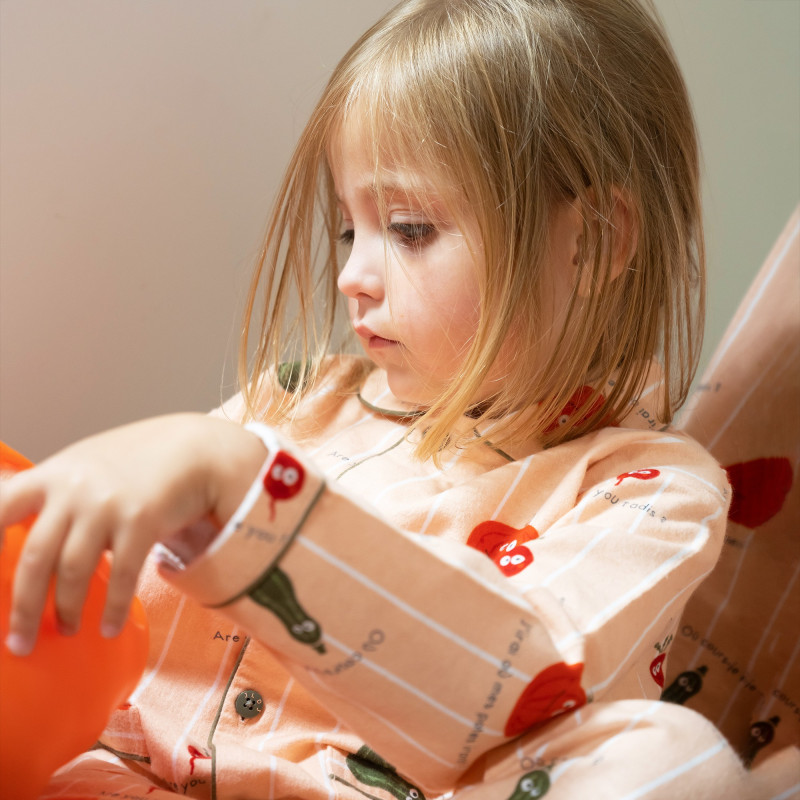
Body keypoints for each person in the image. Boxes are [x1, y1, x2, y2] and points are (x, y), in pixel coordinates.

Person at [0, 0, 767, 797]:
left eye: (407, 229)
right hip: (97, 781)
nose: (352, 277)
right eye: (348, 231)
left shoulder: (653, 494)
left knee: (673, 761)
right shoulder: (289, 405)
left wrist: (248, 494)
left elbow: (526, 689)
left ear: (596, 240)